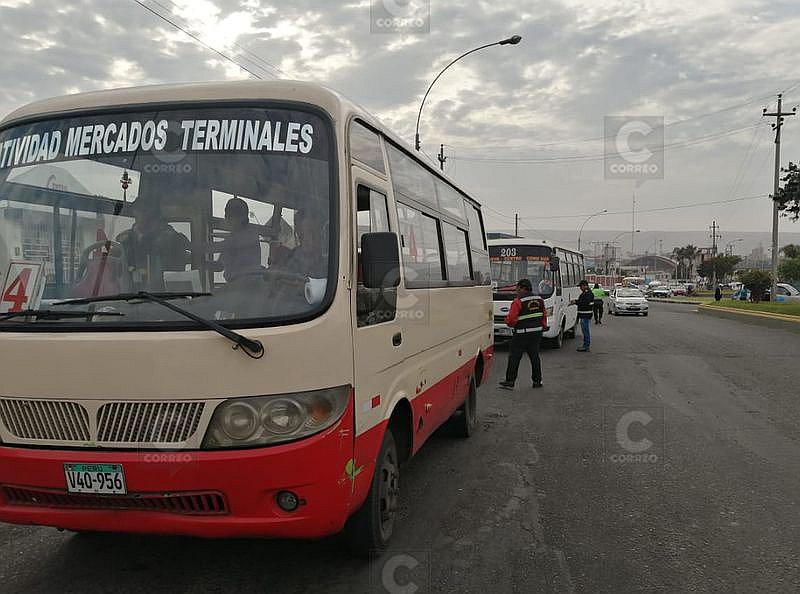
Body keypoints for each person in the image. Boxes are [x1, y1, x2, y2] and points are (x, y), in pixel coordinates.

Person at [117, 200, 191, 290]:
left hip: (163, 298)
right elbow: (118, 273)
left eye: (145, 211)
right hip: (129, 297)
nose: (142, 215)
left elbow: (178, 272)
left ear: (155, 215)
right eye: (138, 210)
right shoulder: (125, 239)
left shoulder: (173, 238)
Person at [499, 279, 549, 390]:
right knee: (534, 357)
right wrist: (543, 327)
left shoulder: (518, 301)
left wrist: (507, 321)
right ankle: (537, 381)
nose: (516, 290)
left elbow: (512, 319)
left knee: (514, 357)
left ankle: (510, 381)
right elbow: (543, 315)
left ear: (522, 288)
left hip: (521, 334)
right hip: (536, 333)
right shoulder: (539, 300)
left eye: (517, 288)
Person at [212, 197, 264, 282]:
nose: (226, 218)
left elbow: (217, 247)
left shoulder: (249, 234)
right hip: (237, 287)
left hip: (248, 288)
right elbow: (219, 266)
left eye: (229, 215)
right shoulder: (233, 237)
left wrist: (190, 246)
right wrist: (201, 263)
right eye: (226, 214)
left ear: (242, 217)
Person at [284, 209, 327, 278]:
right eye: (301, 234)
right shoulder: (291, 258)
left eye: (311, 232)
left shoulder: (330, 264)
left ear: (322, 234)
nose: (307, 239)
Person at [571, 280, 595, 352]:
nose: (580, 288)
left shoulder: (588, 294)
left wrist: (576, 302)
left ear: (585, 286)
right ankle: (585, 345)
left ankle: (586, 346)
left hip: (586, 314)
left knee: (585, 331)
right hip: (583, 314)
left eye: (581, 286)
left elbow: (584, 302)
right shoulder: (585, 293)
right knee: (584, 330)